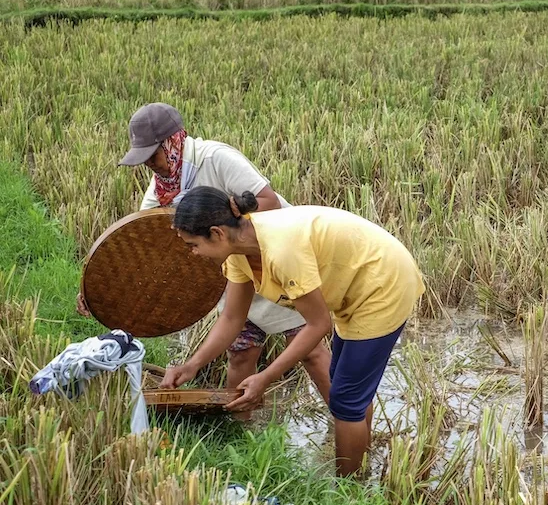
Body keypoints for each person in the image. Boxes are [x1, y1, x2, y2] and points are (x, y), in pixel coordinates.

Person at [77, 102, 331, 417]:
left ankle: (346, 420)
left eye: (152, 155)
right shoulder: (160, 193)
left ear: (171, 141)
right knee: (240, 353)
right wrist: (98, 291)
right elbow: (143, 255)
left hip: (275, 265)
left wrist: (230, 222)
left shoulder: (214, 159)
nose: (150, 166)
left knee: (311, 354)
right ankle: (241, 434)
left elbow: (271, 203)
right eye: (143, 160)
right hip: (235, 275)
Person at [160, 187, 425, 476]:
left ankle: (350, 492)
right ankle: (360, 457)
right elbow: (232, 319)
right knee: (346, 386)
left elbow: (318, 325)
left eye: (192, 244)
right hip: (353, 286)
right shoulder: (239, 251)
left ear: (217, 233)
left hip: (382, 284)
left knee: (346, 401)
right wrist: (191, 366)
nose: (193, 253)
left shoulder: (282, 249)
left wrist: (265, 377)